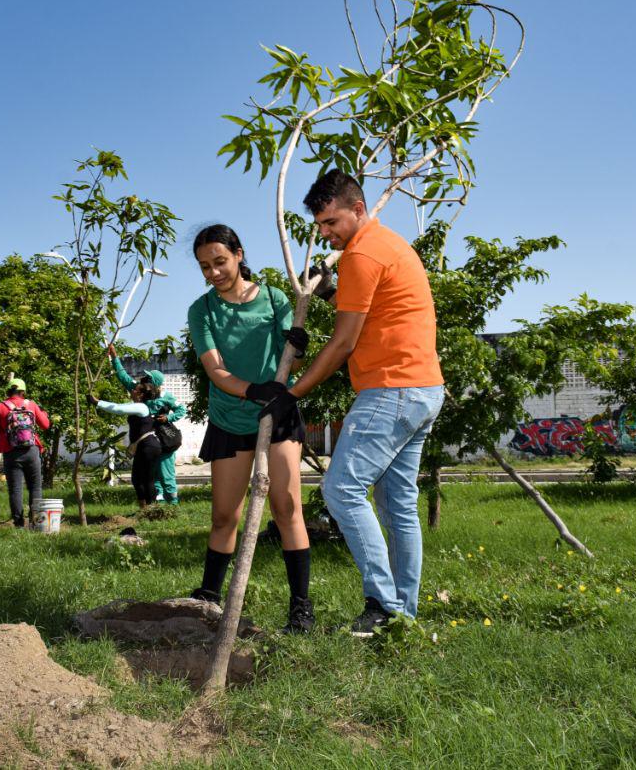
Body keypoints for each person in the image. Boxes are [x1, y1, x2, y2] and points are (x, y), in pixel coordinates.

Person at [250, 170, 444, 637]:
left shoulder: (361, 254)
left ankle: (382, 603)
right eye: (319, 225)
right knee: (397, 503)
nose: (325, 233)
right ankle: (402, 617)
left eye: (331, 222)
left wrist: (290, 394)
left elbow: (343, 343)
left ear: (358, 209)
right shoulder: (388, 246)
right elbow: (377, 313)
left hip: (392, 389)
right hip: (423, 389)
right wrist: (326, 292)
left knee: (341, 490)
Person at [186, 223, 315, 633]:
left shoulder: (275, 299)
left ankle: (301, 609)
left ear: (239, 254)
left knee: (286, 508)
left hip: (278, 417)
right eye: (204, 266)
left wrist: (298, 346)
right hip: (230, 418)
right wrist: (252, 390)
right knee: (225, 515)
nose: (213, 272)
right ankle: (208, 597)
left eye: (220, 261)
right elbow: (216, 370)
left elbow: (291, 360)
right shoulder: (202, 311)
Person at [107, 343, 186, 504]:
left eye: (148, 378)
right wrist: (114, 357)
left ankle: (173, 505)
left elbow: (181, 410)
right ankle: (159, 505)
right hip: (149, 442)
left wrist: (168, 418)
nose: (143, 379)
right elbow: (123, 376)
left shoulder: (166, 397)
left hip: (164, 440)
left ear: (154, 383)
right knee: (153, 475)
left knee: (166, 475)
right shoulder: (140, 391)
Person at [87, 380, 166, 509]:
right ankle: (145, 510)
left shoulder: (141, 407)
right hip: (144, 447)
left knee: (146, 479)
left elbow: (118, 409)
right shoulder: (137, 406)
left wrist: (97, 402)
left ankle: (151, 510)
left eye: (135, 389)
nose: (132, 390)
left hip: (149, 446)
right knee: (138, 479)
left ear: (141, 395)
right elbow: (119, 407)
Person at [0, 378, 51, 528]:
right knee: (35, 487)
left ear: (8, 391)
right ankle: (36, 523)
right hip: (32, 451)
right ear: (23, 392)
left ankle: (19, 524)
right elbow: (45, 425)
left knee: (15, 489)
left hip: (11, 452)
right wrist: (43, 414)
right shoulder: (31, 405)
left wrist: (5, 430)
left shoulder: (1, 407)